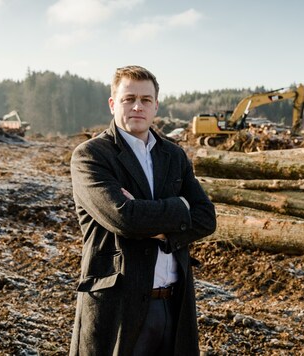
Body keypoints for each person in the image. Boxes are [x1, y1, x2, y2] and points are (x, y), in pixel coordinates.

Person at [69, 65, 217, 356]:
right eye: (128, 98)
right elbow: (124, 217)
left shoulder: (174, 155)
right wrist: (180, 208)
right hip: (119, 306)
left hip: (174, 304)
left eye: (146, 100)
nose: (138, 106)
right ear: (113, 103)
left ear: (156, 105)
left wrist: (159, 227)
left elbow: (206, 218)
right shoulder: (91, 155)